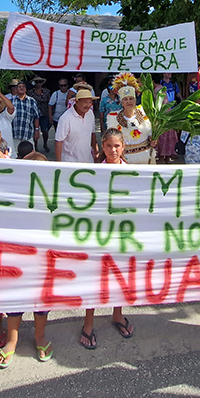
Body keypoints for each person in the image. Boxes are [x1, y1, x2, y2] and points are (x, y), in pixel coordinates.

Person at [0, 121, 52, 367]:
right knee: (9, 292)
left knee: (40, 296)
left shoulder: (47, 195)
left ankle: (39, 335)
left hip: (37, 253)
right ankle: (11, 338)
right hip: (2, 244)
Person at [80, 128, 135, 348]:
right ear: (103, 147)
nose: (113, 150)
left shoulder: (131, 172)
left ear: (123, 147)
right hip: (100, 233)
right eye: (109, 146)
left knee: (121, 276)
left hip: (123, 233)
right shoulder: (94, 173)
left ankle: (118, 314)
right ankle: (88, 323)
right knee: (96, 279)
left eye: (117, 146)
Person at [106, 74, 155, 164]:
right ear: (122, 102)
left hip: (145, 159)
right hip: (125, 160)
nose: (129, 102)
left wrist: (154, 141)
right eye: (126, 99)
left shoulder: (145, 115)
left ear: (135, 100)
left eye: (131, 99)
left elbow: (152, 137)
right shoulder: (113, 119)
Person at [55, 87, 98, 162]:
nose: (88, 105)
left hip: (88, 160)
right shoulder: (65, 118)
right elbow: (59, 141)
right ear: (77, 102)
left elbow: (92, 134)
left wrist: (96, 151)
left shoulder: (90, 114)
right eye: (85, 102)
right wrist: (59, 164)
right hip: (70, 162)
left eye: (90, 102)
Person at [154, 74, 181, 162]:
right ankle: (167, 156)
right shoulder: (162, 87)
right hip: (169, 113)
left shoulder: (157, 89)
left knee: (163, 137)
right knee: (168, 136)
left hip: (162, 115)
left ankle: (162, 156)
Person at [10, 80, 41, 149]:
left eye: (23, 87)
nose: (21, 88)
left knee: (29, 156)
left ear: (26, 89)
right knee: (14, 155)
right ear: (16, 89)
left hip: (28, 133)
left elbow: (36, 117)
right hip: (14, 133)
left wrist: (37, 130)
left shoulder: (32, 101)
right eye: (19, 87)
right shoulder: (11, 101)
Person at [30, 77, 52, 152]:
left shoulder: (47, 92)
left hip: (44, 113)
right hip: (34, 114)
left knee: (45, 130)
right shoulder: (30, 92)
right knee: (35, 130)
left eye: (40, 81)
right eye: (36, 82)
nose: (38, 83)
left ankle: (45, 144)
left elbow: (50, 103)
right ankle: (35, 146)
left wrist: (50, 115)